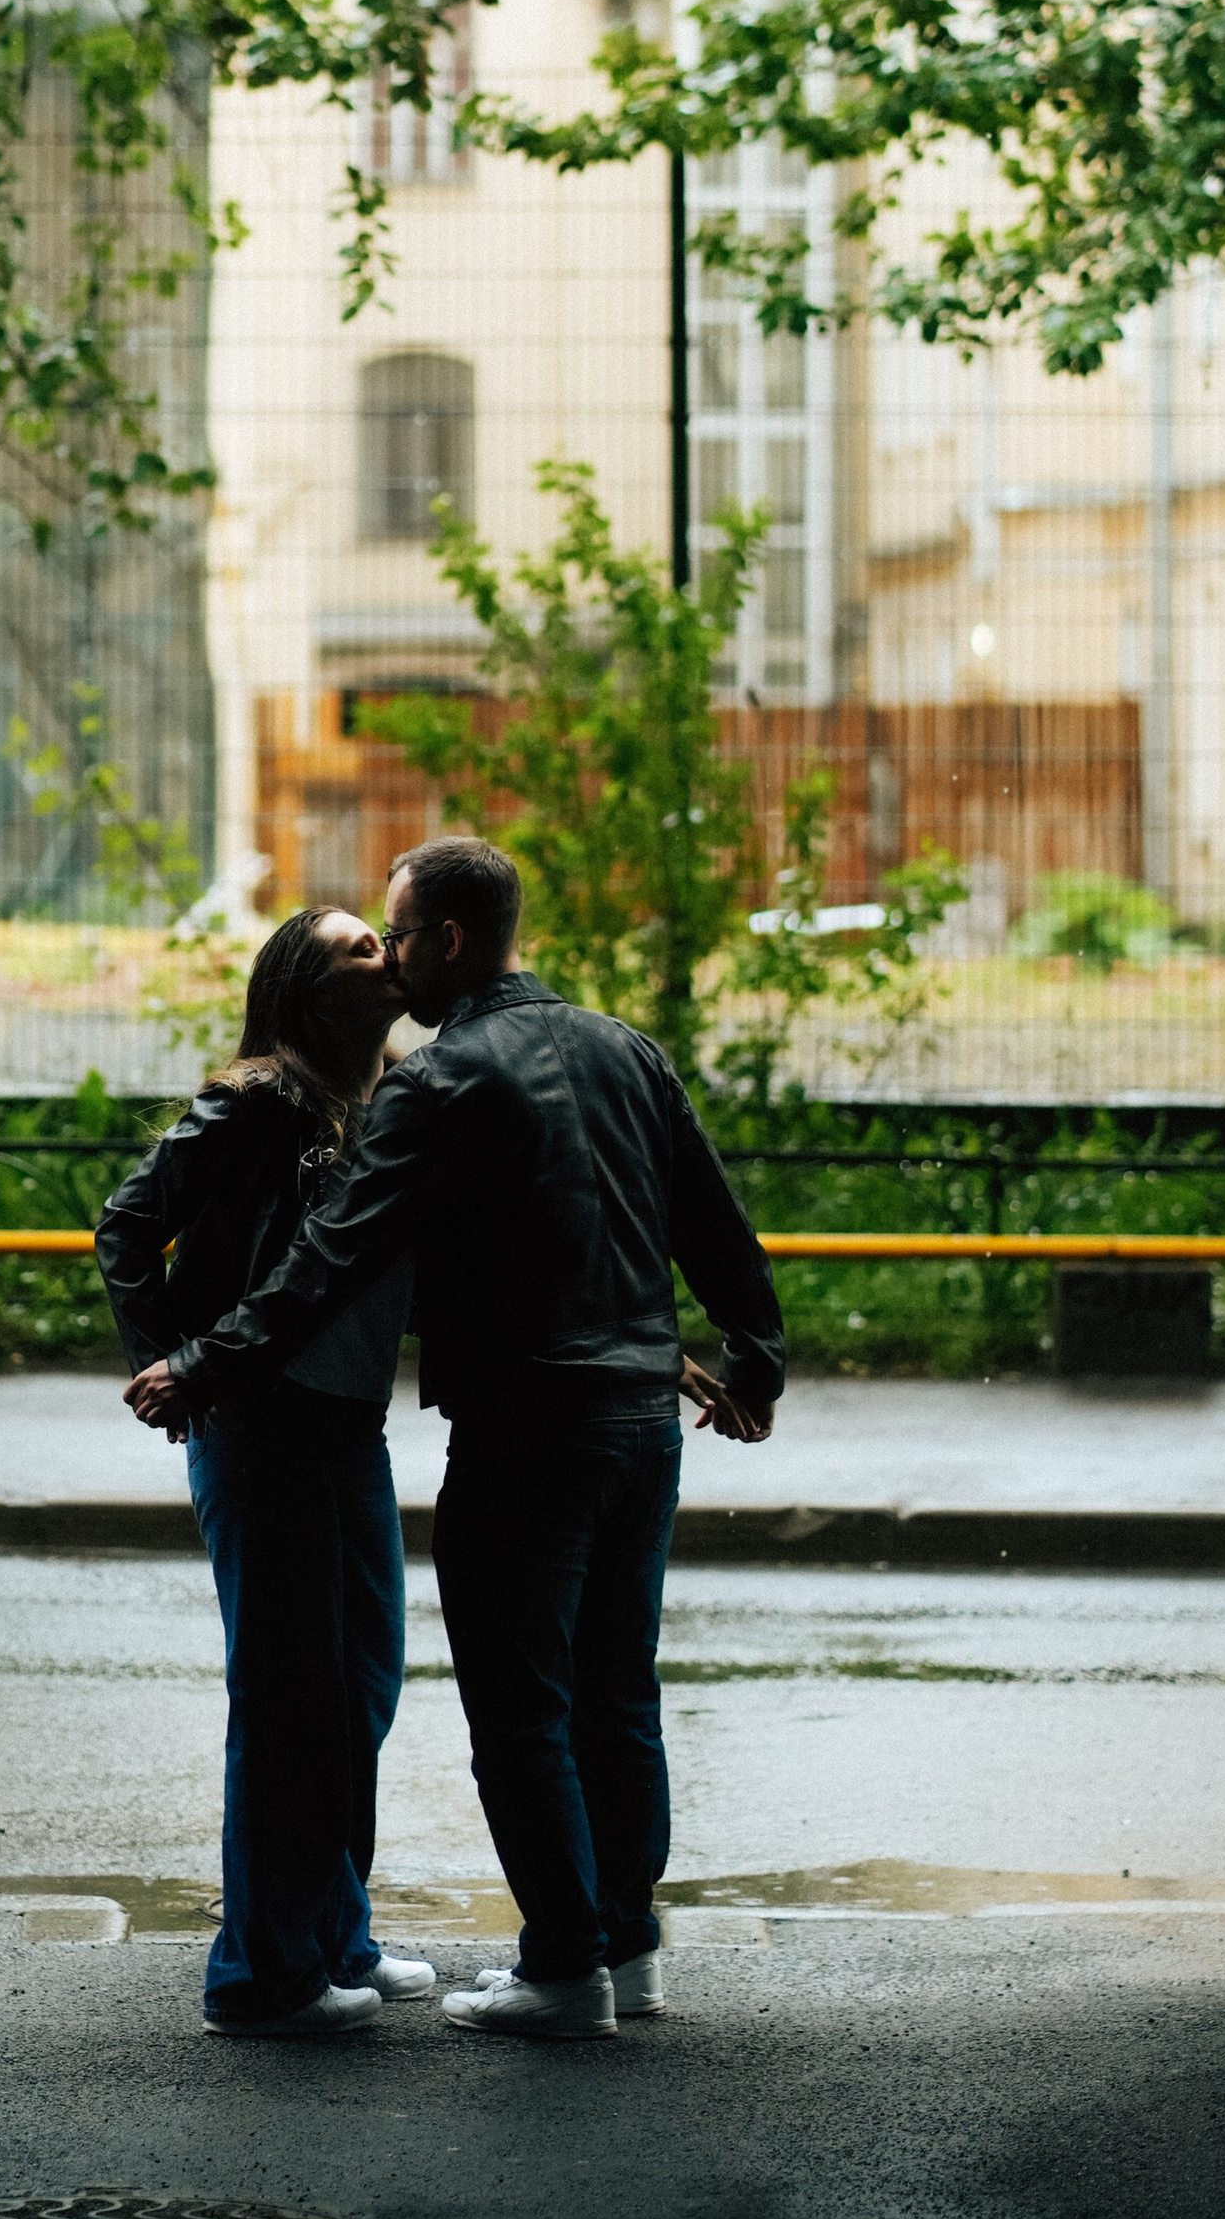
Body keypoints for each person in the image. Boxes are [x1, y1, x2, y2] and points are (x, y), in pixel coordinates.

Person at [126, 835, 781, 2042]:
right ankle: (623, 1954)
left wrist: (202, 1359)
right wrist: (751, 1357)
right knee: (613, 1695)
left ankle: (562, 1966)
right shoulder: (623, 1049)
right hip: (639, 1425)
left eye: (396, 931)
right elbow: (704, 1218)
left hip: (525, 1429)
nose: (390, 958)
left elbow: (339, 1258)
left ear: (448, 941)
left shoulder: (435, 1083)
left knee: (521, 1707)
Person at [95, 905, 438, 2041]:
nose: (383, 956)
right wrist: (167, 1367)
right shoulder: (251, 1102)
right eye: (356, 948)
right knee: (289, 1699)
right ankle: (259, 1975)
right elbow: (129, 1225)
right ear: (305, 988)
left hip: (348, 1423)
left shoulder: (392, 1100)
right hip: (261, 1419)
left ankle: (333, 1936)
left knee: (360, 1686)